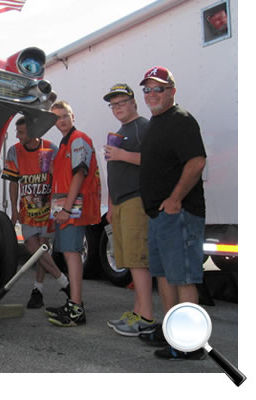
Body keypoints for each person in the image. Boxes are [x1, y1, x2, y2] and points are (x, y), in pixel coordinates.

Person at [138, 67, 207, 360]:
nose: (152, 94)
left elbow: (197, 162)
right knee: (164, 276)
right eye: (148, 89)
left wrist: (175, 198)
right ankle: (172, 332)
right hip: (158, 216)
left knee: (182, 279)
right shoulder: (156, 123)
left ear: (172, 92)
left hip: (178, 214)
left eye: (159, 89)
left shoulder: (181, 120)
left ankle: (190, 345)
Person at [102, 83, 156, 337]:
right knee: (129, 261)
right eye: (113, 105)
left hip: (137, 199)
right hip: (121, 202)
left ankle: (146, 317)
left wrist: (123, 155)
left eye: (121, 103)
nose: (117, 108)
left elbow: (156, 161)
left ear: (134, 103)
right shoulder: (122, 131)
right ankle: (137, 312)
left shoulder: (143, 127)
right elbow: (114, 170)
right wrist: (111, 204)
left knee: (138, 260)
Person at [3, 117, 70, 309]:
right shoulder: (14, 151)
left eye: (21, 132)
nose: (17, 135)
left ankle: (38, 290)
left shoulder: (51, 149)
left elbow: (60, 178)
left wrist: (59, 206)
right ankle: (65, 283)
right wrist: (14, 209)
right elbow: (13, 182)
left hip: (47, 210)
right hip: (27, 210)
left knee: (43, 250)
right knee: (33, 249)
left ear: (33, 132)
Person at [46, 101, 101, 327]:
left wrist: (67, 209)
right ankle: (73, 303)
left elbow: (79, 175)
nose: (61, 120)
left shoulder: (78, 139)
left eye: (64, 115)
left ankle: (76, 307)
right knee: (69, 253)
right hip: (66, 207)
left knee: (72, 253)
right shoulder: (65, 143)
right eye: (57, 117)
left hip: (73, 208)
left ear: (73, 116)